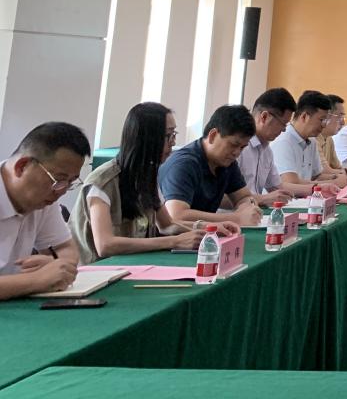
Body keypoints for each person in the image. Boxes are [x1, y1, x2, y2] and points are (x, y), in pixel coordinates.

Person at [71, 103, 235, 264]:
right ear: (146, 138)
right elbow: (105, 245)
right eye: (168, 135)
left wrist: (210, 228)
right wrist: (174, 241)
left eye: (174, 134)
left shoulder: (146, 176)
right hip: (96, 272)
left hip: (131, 267)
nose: (173, 142)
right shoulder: (102, 182)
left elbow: (167, 225)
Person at [0, 122, 87, 299]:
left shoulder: (42, 200)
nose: (62, 191)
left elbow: (65, 248)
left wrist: (58, 265)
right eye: (58, 180)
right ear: (22, 166)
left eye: (71, 182)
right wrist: (36, 280)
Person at [158, 105, 261, 227]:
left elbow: (244, 197)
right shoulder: (184, 164)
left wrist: (248, 206)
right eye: (233, 145)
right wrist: (236, 218)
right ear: (213, 135)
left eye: (242, 147)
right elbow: (176, 215)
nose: (237, 153)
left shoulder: (227, 162)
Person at [270, 91, 347, 191]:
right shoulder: (284, 141)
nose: (324, 125)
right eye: (322, 120)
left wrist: (336, 177)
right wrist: (333, 183)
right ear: (304, 116)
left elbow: (316, 176)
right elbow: (292, 182)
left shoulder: (312, 141)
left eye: (326, 120)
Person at [238, 88, 298, 205]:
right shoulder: (237, 148)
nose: (284, 130)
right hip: (232, 214)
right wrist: (263, 199)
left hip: (255, 211)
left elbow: (276, 187)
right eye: (283, 124)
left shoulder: (267, 151)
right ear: (264, 117)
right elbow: (223, 197)